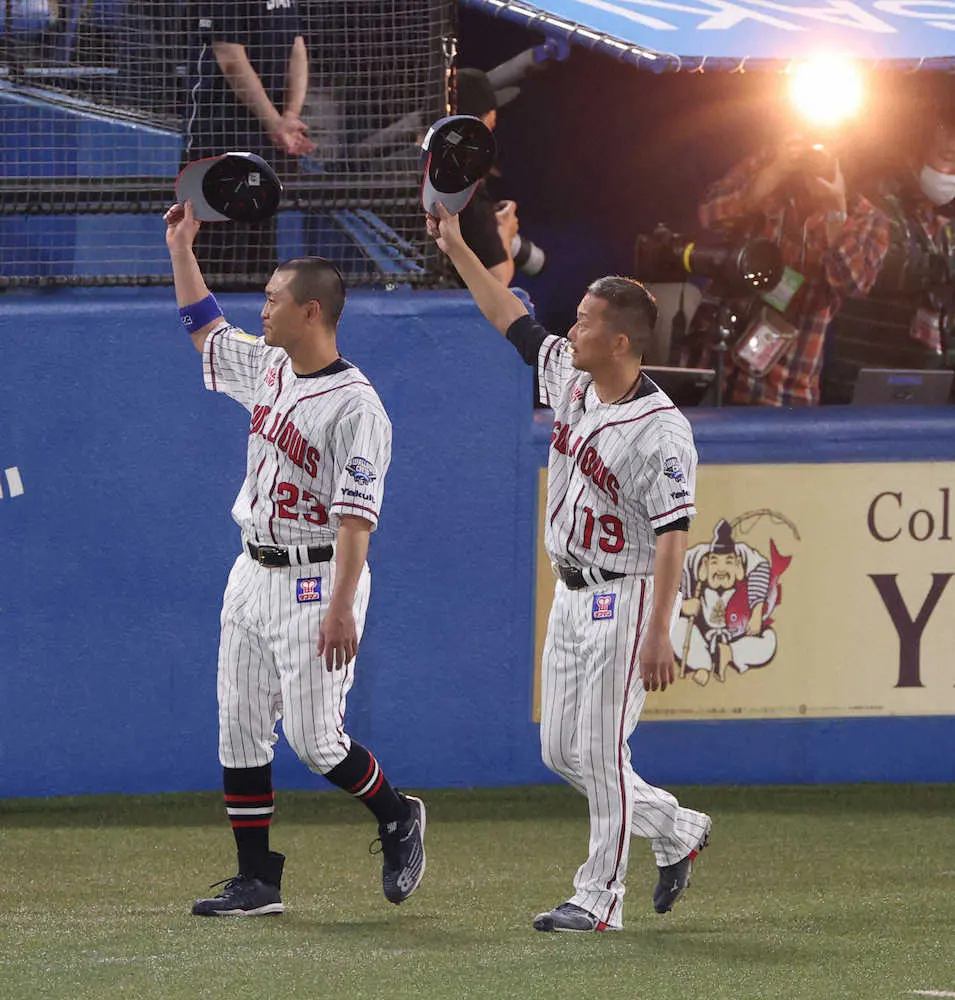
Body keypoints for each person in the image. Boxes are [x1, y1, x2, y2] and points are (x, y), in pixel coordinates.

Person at [427, 202, 711, 933]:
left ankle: (598, 899)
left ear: (619, 340)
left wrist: (661, 632)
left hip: (627, 593)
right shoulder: (573, 379)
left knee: (601, 749)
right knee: (562, 750)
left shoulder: (660, 431)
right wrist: (457, 243)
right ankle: (675, 829)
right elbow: (508, 317)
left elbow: (675, 537)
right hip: (573, 592)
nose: (569, 326)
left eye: (584, 319)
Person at [163, 199, 425, 917]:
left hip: (317, 579)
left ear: (311, 312)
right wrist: (182, 247)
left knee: (315, 741)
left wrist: (341, 605)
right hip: (251, 569)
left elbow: (355, 518)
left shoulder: (356, 406)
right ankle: (257, 882)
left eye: (275, 300)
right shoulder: (272, 369)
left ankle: (397, 813)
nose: (263, 310)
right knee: (238, 722)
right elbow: (205, 332)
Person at [688, 137, 891, 405]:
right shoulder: (772, 168)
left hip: (785, 390)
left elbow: (855, 282)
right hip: (712, 366)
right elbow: (709, 214)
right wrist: (773, 172)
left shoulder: (866, 218)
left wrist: (836, 208)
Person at [182, 1, 316, 284]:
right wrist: (277, 123)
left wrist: (289, 115)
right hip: (218, 136)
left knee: (259, 253)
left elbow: (296, 46)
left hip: (263, 142)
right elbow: (230, 57)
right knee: (213, 256)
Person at [456, 68, 520, 286]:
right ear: (490, 118)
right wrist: (504, 231)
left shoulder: (408, 165)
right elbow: (497, 279)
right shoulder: (464, 182)